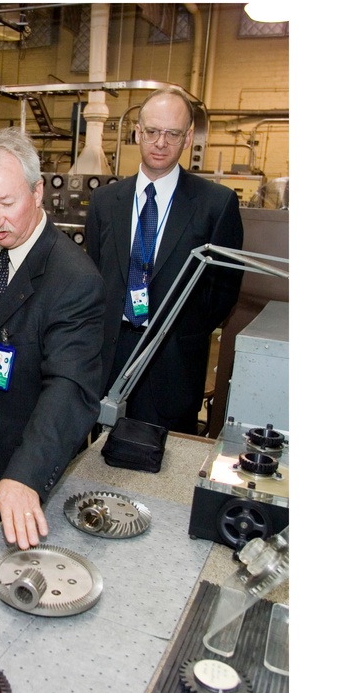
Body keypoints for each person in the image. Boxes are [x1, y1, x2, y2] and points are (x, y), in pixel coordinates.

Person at [0, 128, 105, 550]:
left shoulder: (73, 278)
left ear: (37, 191)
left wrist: (25, 474)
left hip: (22, 463)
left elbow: (70, 387)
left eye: (7, 203)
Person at [85, 87, 244, 434]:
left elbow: (222, 292)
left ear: (188, 138)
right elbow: (94, 276)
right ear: (137, 133)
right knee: (98, 457)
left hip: (171, 362)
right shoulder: (105, 201)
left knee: (163, 460)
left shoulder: (216, 204)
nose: (160, 142)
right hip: (109, 358)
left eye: (172, 133)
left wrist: (179, 331)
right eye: (152, 131)